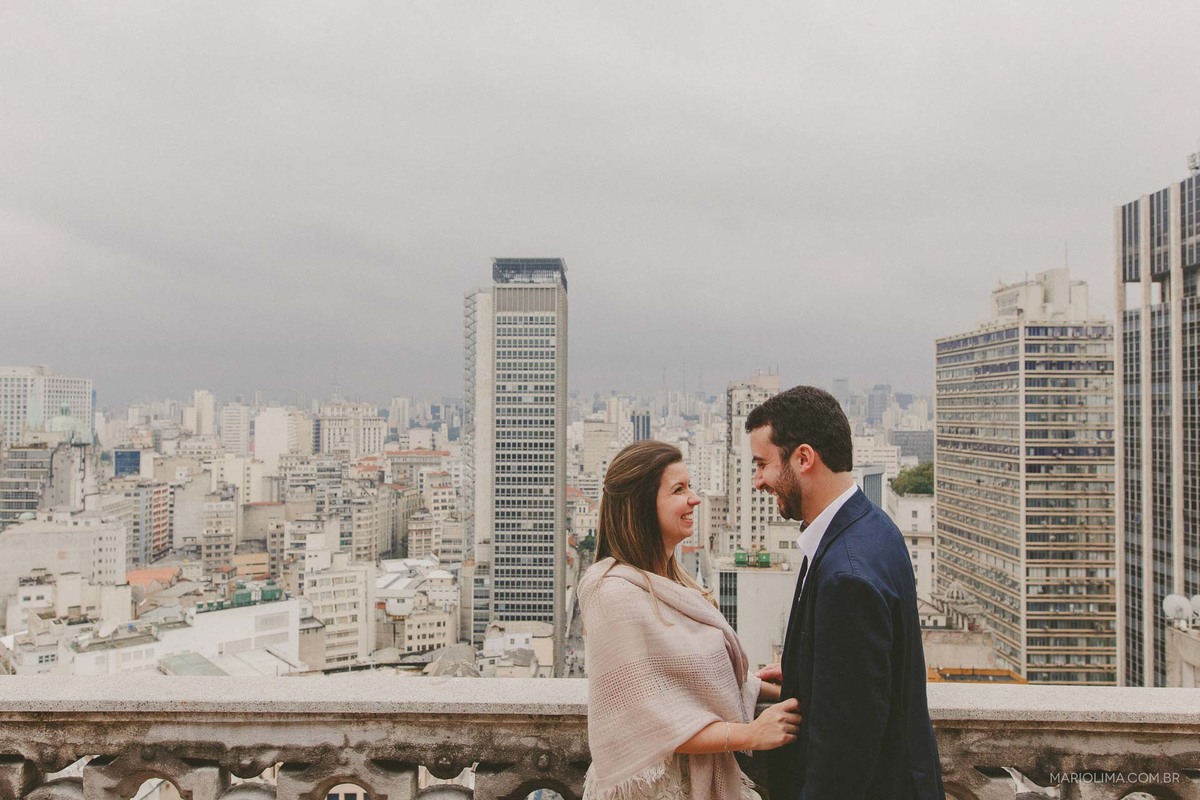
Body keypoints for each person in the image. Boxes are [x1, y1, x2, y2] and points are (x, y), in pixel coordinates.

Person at [746, 386, 944, 800]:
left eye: (763, 464)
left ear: (804, 458)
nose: (758, 481)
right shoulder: (873, 525)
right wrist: (805, 668)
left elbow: (844, 753)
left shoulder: (847, 576)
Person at [579, 440, 800, 800]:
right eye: (678, 490)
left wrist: (770, 686)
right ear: (641, 505)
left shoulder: (675, 582)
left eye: (690, 487)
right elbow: (644, 721)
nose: (694, 499)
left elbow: (684, 683)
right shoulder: (613, 594)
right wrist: (750, 734)